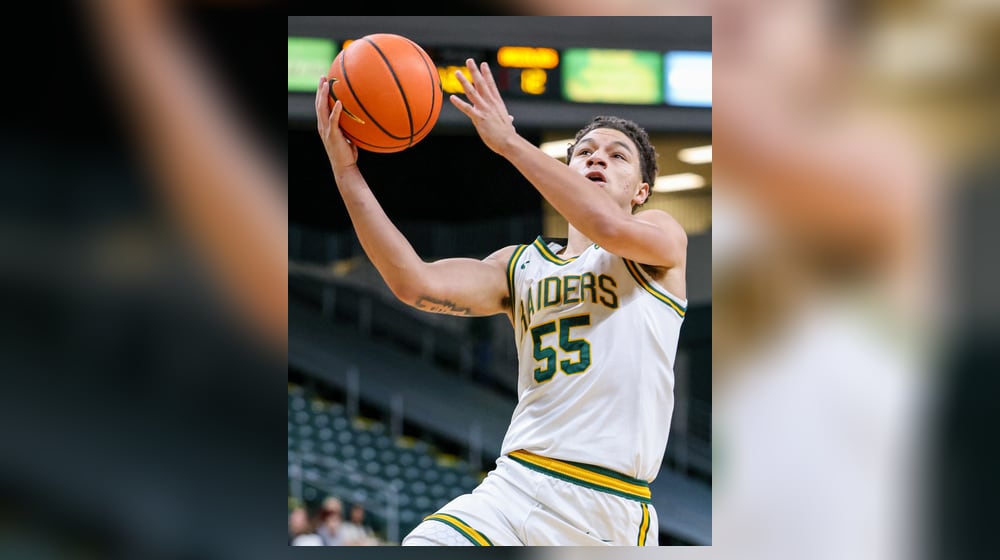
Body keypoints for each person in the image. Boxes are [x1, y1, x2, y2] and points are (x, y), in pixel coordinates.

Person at [315, 57, 687, 546]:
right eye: (585, 152)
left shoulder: (660, 237)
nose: (597, 159)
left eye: (617, 156)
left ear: (641, 191)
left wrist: (510, 143)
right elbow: (413, 282)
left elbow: (609, 228)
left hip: (606, 504)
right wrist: (347, 173)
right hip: (514, 485)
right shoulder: (519, 266)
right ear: (568, 166)